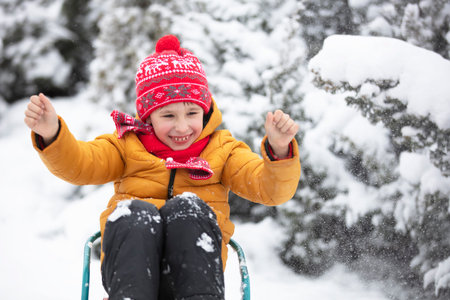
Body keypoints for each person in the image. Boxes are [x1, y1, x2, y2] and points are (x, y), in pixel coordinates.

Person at [24, 35, 301, 300]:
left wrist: (279, 151)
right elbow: (80, 164)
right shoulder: (126, 145)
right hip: (131, 275)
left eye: (192, 113)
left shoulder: (224, 151)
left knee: (187, 208)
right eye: (168, 115)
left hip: (196, 278)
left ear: (204, 111)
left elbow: (270, 190)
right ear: (148, 115)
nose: (182, 127)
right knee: (134, 212)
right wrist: (52, 134)